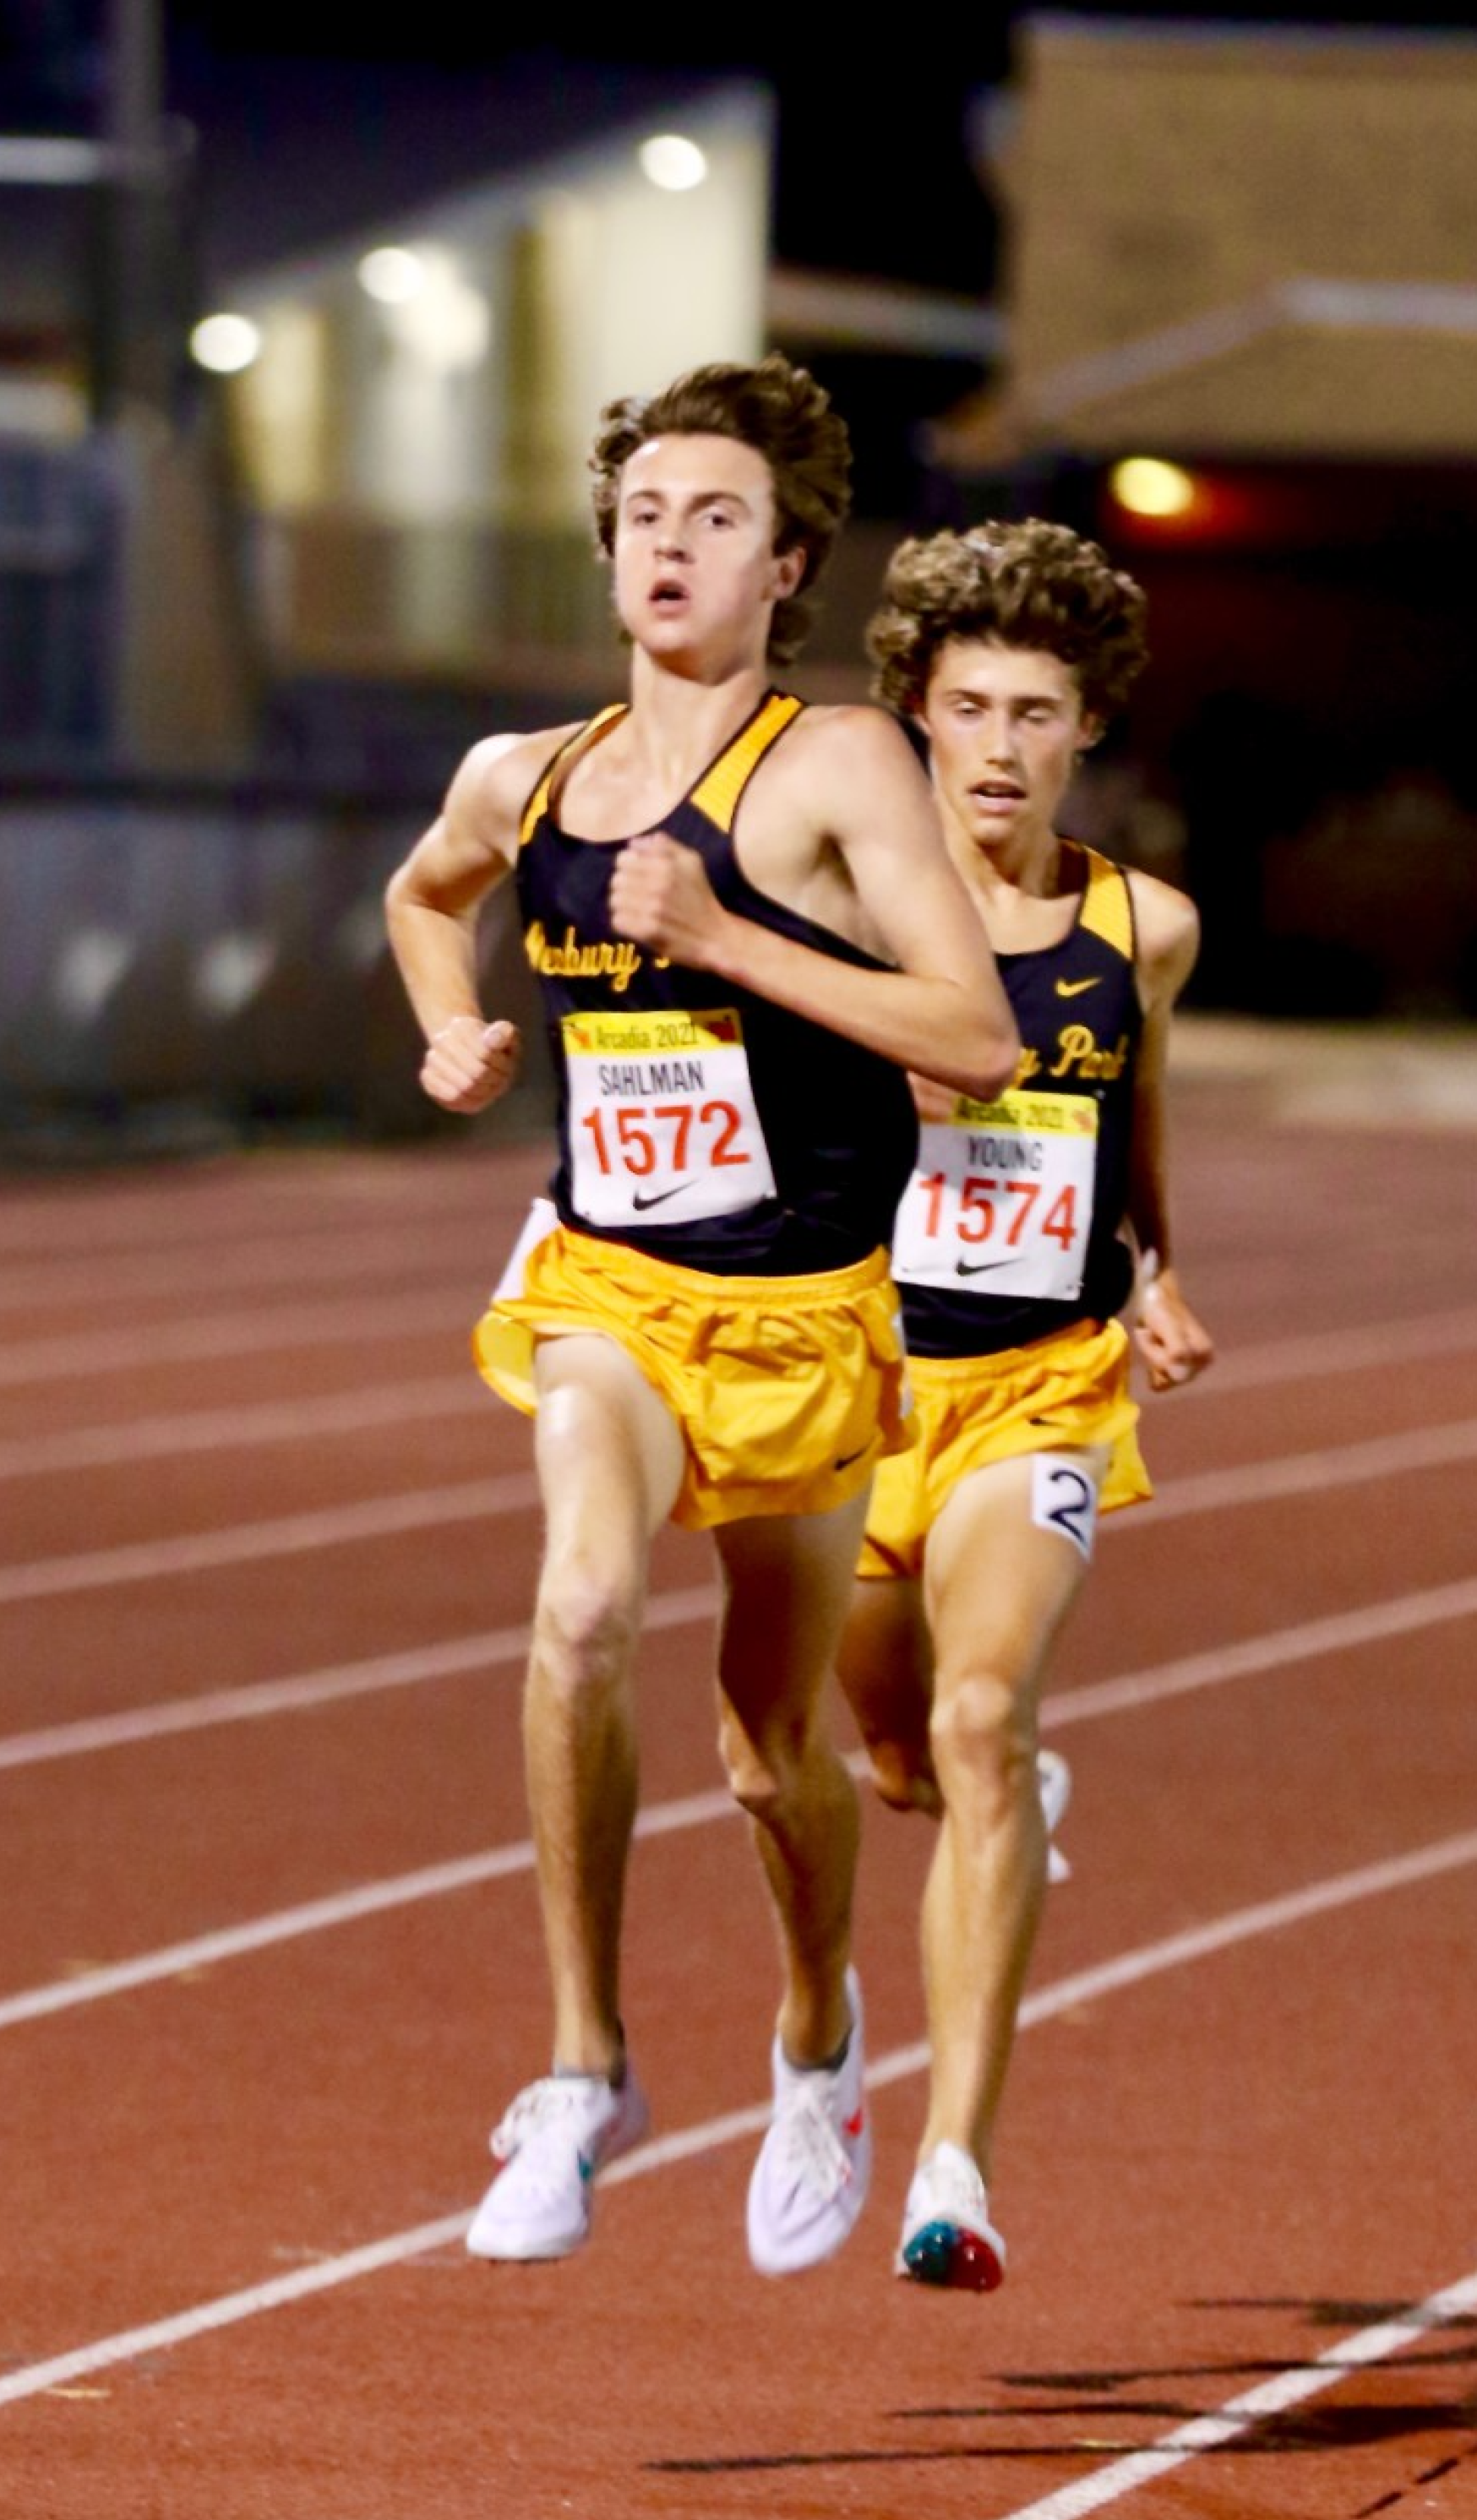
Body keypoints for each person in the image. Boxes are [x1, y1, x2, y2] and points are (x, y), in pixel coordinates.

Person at [383, 357, 1017, 2273]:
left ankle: (817, 2034)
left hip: (808, 1305)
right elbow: (428, 895)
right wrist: (453, 1027)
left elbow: (978, 1037)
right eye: (644, 514)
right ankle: (583, 2068)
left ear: (788, 563)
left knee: (768, 1747)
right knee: (579, 1601)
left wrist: (729, 935)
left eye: (715, 515)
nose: (670, 543)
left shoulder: (832, 769)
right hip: (602, 1280)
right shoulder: (529, 776)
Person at [837, 518, 1215, 2293]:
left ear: (1085, 733)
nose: (996, 744)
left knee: (984, 1715)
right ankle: (940, 1789)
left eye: (1035, 711)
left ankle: (954, 2163)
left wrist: (1148, 1274)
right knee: (876, 1751)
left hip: (1036, 1397)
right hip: (844, 1396)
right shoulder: (822, 910)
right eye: (968, 704)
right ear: (912, 709)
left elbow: (1128, 1136)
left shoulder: (1140, 928)